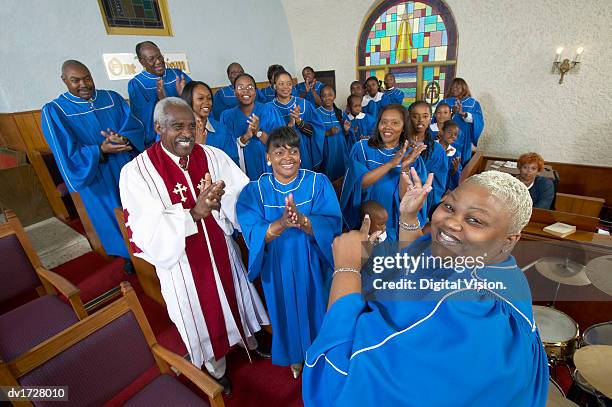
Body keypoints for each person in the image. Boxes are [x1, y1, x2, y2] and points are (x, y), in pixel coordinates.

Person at [303, 170, 549, 406]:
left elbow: (343, 376)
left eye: (475, 220)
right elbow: (416, 273)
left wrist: (346, 268)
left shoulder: (469, 311)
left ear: (509, 240)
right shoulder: (487, 262)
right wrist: (409, 218)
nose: (451, 222)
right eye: (449, 206)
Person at [119, 97, 269, 394]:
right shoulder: (137, 173)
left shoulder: (212, 156)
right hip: (184, 266)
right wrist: (193, 214)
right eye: (177, 126)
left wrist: (226, 203)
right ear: (158, 127)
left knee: (236, 296)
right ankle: (216, 369)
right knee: (202, 315)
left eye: (192, 125)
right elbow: (145, 227)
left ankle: (247, 339)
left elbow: (242, 196)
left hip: (222, 250)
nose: (187, 133)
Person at [237, 126, 342, 378]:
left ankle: (319, 353)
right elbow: (251, 228)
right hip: (278, 262)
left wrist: (305, 222)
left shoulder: (318, 182)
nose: (287, 157)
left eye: (293, 151)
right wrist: (281, 223)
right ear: (268, 157)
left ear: (301, 155)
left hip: (312, 259)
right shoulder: (255, 190)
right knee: (285, 311)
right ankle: (296, 357)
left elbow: (332, 222)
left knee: (317, 306)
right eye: (279, 151)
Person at [42, 60, 145, 259]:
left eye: (87, 78)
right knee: (112, 218)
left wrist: (123, 138)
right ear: (64, 80)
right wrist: (100, 150)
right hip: (95, 173)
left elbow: (133, 125)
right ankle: (128, 258)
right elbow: (64, 152)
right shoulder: (55, 111)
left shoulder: (112, 98)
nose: (83, 84)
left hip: (125, 165)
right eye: (75, 80)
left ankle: (150, 247)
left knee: (138, 208)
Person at [340, 104, 428, 240]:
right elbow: (359, 184)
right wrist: (391, 164)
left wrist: (404, 167)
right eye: (384, 122)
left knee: (390, 259)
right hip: (366, 222)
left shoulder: (412, 156)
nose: (388, 127)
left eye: (395, 123)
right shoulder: (362, 148)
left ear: (404, 126)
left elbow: (407, 199)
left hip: (394, 223)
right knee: (365, 258)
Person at [220, 73, 284, 180]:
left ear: (255, 91)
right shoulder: (227, 116)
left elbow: (282, 144)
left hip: (268, 168)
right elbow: (225, 150)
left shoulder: (269, 111)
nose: (246, 91)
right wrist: (245, 138)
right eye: (240, 87)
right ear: (234, 91)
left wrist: (258, 132)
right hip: (240, 171)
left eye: (250, 87)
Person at [128, 41, 191, 146]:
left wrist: (185, 95)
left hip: (187, 129)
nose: (158, 61)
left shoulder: (177, 74)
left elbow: (195, 96)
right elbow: (143, 118)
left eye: (160, 56)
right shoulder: (137, 84)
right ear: (142, 62)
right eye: (151, 59)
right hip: (162, 136)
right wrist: (161, 102)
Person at [270, 70, 325, 171]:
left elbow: (316, 132)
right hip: (280, 155)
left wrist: (299, 121)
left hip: (303, 152)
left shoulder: (304, 104)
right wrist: (290, 125)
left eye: (289, 84)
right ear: (274, 86)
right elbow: (268, 138)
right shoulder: (269, 108)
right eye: (281, 84)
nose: (285, 87)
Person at [180, 81, 239, 166]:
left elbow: (232, 162)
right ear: (188, 101)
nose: (207, 102)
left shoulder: (221, 130)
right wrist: (198, 146)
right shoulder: (174, 131)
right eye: (200, 98)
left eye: (209, 98)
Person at [407, 101, 448, 211]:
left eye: (425, 116)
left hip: (424, 202)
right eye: (415, 116)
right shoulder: (401, 145)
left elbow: (438, 182)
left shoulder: (437, 150)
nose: (420, 120)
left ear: (430, 118)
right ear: (409, 118)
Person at [440, 78, 484, 164]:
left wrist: (463, 114)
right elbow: (438, 119)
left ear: (464, 88)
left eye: (457, 86)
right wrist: (452, 112)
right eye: (453, 87)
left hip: (464, 136)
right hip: (448, 135)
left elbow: (478, 120)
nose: (454, 88)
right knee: (448, 159)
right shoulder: (445, 102)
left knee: (462, 162)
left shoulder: (473, 103)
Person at [316, 86, 349, 182]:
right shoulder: (317, 114)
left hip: (341, 151)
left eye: (330, 95)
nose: (327, 98)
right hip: (326, 151)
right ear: (320, 97)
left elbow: (347, 136)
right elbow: (313, 134)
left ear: (334, 96)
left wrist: (346, 130)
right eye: (324, 96)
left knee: (343, 177)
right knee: (328, 176)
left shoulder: (340, 113)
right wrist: (327, 133)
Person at [437, 121, 462, 191]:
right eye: (449, 132)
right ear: (442, 131)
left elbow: (452, 176)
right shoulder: (432, 147)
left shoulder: (455, 153)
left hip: (443, 187)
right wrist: (442, 156)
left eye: (456, 134)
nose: (453, 136)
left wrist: (455, 170)